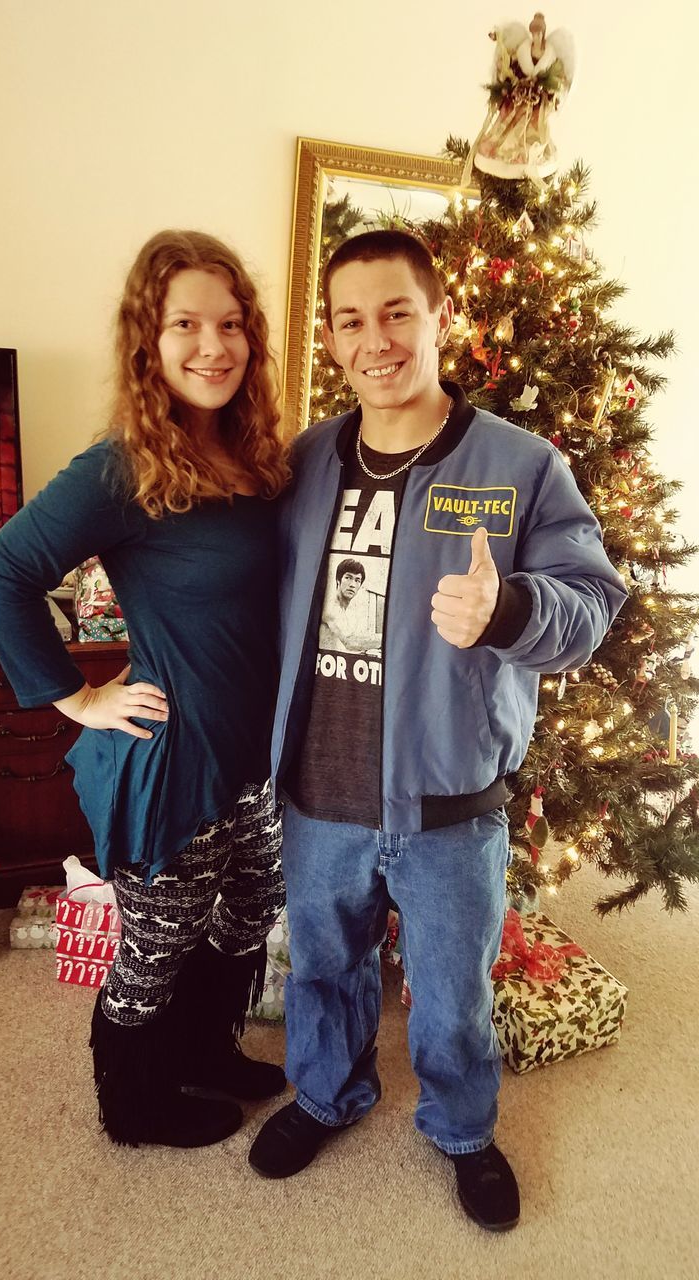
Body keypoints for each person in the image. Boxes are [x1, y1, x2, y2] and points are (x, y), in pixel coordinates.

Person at [247, 229, 628, 1230]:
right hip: (317, 790)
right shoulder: (303, 461)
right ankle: (328, 1094)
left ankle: (463, 1125)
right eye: (350, 319)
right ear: (330, 338)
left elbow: (592, 603)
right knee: (322, 966)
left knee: (453, 988)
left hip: (449, 802)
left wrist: (509, 613)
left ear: (440, 315)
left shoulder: (522, 463)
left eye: (396, 311)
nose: (375, 338)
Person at [0, 230, 291, 1148]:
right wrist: (77, 699)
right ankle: (135, 1104)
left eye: (230, 324)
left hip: (253, 750)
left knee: (251, 905)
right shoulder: (123, 467)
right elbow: (2, 571)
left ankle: (206, 1048)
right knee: (159, 940)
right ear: (147, 342)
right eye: (185, 323)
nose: (213, 345)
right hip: (176, 753)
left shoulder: (257, 455)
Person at [319, 557, 382, 653]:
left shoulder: (343, 608)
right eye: (348, 578)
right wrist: (387, 638)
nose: (352, 584)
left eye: (357, 580)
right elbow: (351, 642)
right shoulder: (332, 607)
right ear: (338, 580)